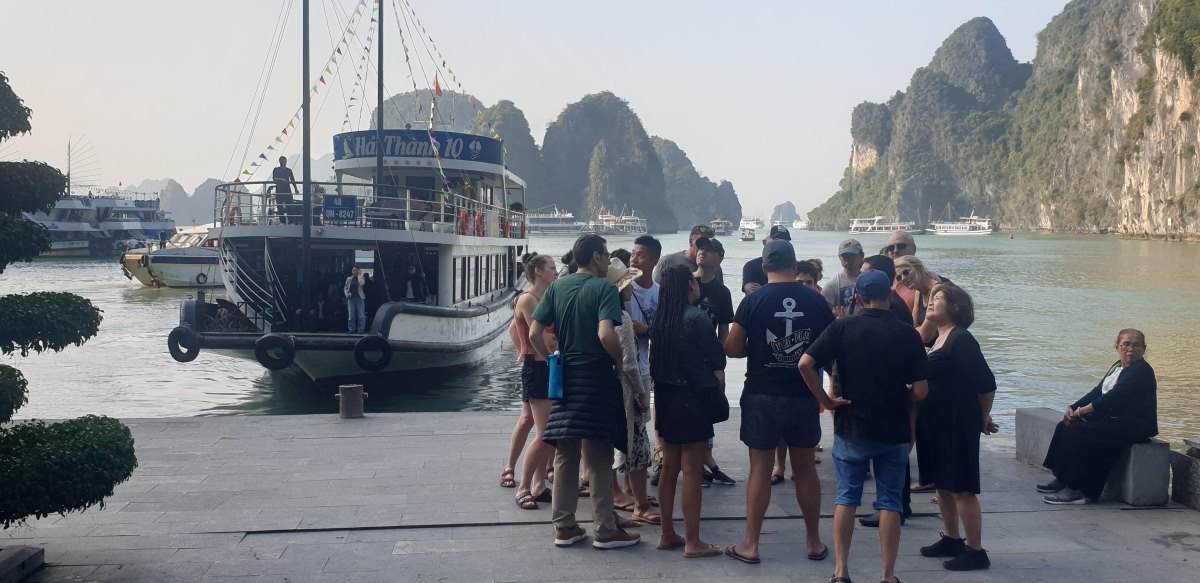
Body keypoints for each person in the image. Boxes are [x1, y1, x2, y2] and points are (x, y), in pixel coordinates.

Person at [799, 269, 930, 583]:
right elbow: (922, 391)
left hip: (852, 426)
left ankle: (841, 571)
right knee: (889, 501)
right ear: (889, 297)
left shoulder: (841, 327)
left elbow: (805, 364)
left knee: (847, 497)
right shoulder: (907, 334)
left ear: (857, 298)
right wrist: (901, 392)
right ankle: (887, 575)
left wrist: (827, 402)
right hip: (894, 427)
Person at [724, 239, 833, 565]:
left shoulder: (752, 300)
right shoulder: (816, 301)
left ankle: (751, 544)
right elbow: (830, 348)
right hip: (803, 394)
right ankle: (814, 542)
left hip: (761, 393)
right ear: (794, 264)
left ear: (765, 267)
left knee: (760, 468)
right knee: (804, 469)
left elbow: (731, 348)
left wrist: (758, 349)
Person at [529, 234, 640, 550]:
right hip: (596, 375)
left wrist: (553, 360)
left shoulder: (558, 287)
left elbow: (536, 332)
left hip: (567, 377)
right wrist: (619, 362)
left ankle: (564, 526)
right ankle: (605, 529)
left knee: (566, 450)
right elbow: (607, 334)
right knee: (600, 451)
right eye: (605, 255)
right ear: (595, 257)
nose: (607, 261)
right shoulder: (605, 288)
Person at [916, 283, 997, 571]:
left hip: (957, 422)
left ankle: (975, 550)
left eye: (939, 298)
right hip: (936, 422)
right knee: (943, 485)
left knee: (961, 486)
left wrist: (982, 417)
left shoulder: (962, 340)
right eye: (932, 297)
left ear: (956, 308)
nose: (932, 301)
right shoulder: (937, 339)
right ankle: (952, 538)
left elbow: (986, 384)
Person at [651, 264, 726, 558]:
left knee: (670, 467)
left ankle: (667, 533)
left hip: (667, 397)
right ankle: (694, 541)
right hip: (693, 398)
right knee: (692, 470)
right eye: (694, 282)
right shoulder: (697, 318)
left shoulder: (661, 319)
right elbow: (717, 354)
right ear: (689, 287)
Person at [1040, 329, 1158, 504]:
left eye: (1136, 345)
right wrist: (1072, 407)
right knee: (1064, 425)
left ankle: (1078, 489)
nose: (1131, 348)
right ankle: (1063, 479)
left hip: (1132, 425)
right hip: (1113, 419)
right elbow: (1098, 391)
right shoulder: (1118, 366)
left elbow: (1113, 398)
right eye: (1126, 344)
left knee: (1079, 432)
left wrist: (1080, 412)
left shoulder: (1141, 371)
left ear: (1144, 348)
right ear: (1117, 346)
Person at [605, 257, 659, 526]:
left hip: (604, 390)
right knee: (638, 449)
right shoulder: (622, 319)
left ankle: (613, 505)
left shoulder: (600, 314)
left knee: (605, 451)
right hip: (626, 392)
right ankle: (640, 503)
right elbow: (629, 363)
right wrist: (642, 395)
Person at [510, 255, 559, 509]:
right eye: (552, 268)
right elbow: (542, 337)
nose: (556, 271)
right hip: (538, 368)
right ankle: (524, 487)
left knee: (543, 428)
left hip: (547, 366)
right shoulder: (528, 299)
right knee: (545, 433)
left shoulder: (546, 297)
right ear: (539, 272)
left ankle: (539, 485)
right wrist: (527, 350)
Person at [692, 236, 736, 487]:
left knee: (708, 412)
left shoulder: (722, 292)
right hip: (685, 359)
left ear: (719, 259)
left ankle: (702, 463)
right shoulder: (686, 283)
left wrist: (721, 364)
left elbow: (724, 330)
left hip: (709, 362)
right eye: (701, 249)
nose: (702, 253)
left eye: (709, 251)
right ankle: (695, 464)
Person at [627, 236, 663, 487]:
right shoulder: (621, 288)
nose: (633, 259)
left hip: (646, 366)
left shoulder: (661, 293)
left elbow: (665, 330)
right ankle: (629, 486)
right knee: (630, 425)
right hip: (625, 367)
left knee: (640, 422)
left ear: (654, 260)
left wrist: (647, 330)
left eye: (640, 255)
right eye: (632, 254)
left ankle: (632, 484)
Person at [885, 230, 944, 312]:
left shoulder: (927, 278)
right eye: (891, 248)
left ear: (914, 249)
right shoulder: (888, 278)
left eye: (901, 246)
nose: (895, 250)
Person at [653, 225, 723, 284]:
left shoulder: (714, 267)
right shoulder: (667, 261)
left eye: (708, 245)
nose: (704, 248)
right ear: (690, 242)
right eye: (700, 243)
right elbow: (655, 291)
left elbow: (719, 292)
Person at [895, 255, 941, 344]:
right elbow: (913, 326)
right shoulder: (918, 293)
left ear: (919, 268)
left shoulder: (939, 291)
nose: (903, 279)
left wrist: (920, 329)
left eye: (906, 272)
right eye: (899, 277)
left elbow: (925, 336)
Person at [740, 225, 791, 295]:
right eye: (776, 240)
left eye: (785, 241)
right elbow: (751, 291)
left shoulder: (794, 266)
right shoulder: (752, 266)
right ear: (765, 242)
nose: (781, 244)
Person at [822, 239, 865, 317]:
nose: (848, 260)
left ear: (862, 256)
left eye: (852, 256)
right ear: (839, 258)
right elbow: (823, 313)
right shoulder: (832, 284)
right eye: (845, 257)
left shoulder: (868, 280)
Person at [272, 156, 297, 225]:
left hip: (287, 190)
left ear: (286, 162)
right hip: (279, 190)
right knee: (280, 206)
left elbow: (292, 180)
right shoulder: (276, 170)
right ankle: (282, 221)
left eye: (284, 162)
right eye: (282, 162)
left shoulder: (289, 170)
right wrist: (282, 179)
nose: (283, 163)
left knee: (290, 206)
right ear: (280, 162)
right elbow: (274, 179)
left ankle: (291, 221)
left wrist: (296, 189)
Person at [343, 267, 367, 333]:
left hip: (359, 298)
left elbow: (362, 283)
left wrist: (359, 275)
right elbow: (345, 288)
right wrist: (347, 293)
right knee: (351, 315)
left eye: (355, 270)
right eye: (353, 270)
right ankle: (352, 330)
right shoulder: (349, 278)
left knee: (361, 315)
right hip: (351, 299)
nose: (354, 272)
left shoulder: (361, 277)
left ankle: (361, 330)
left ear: (358, 271)